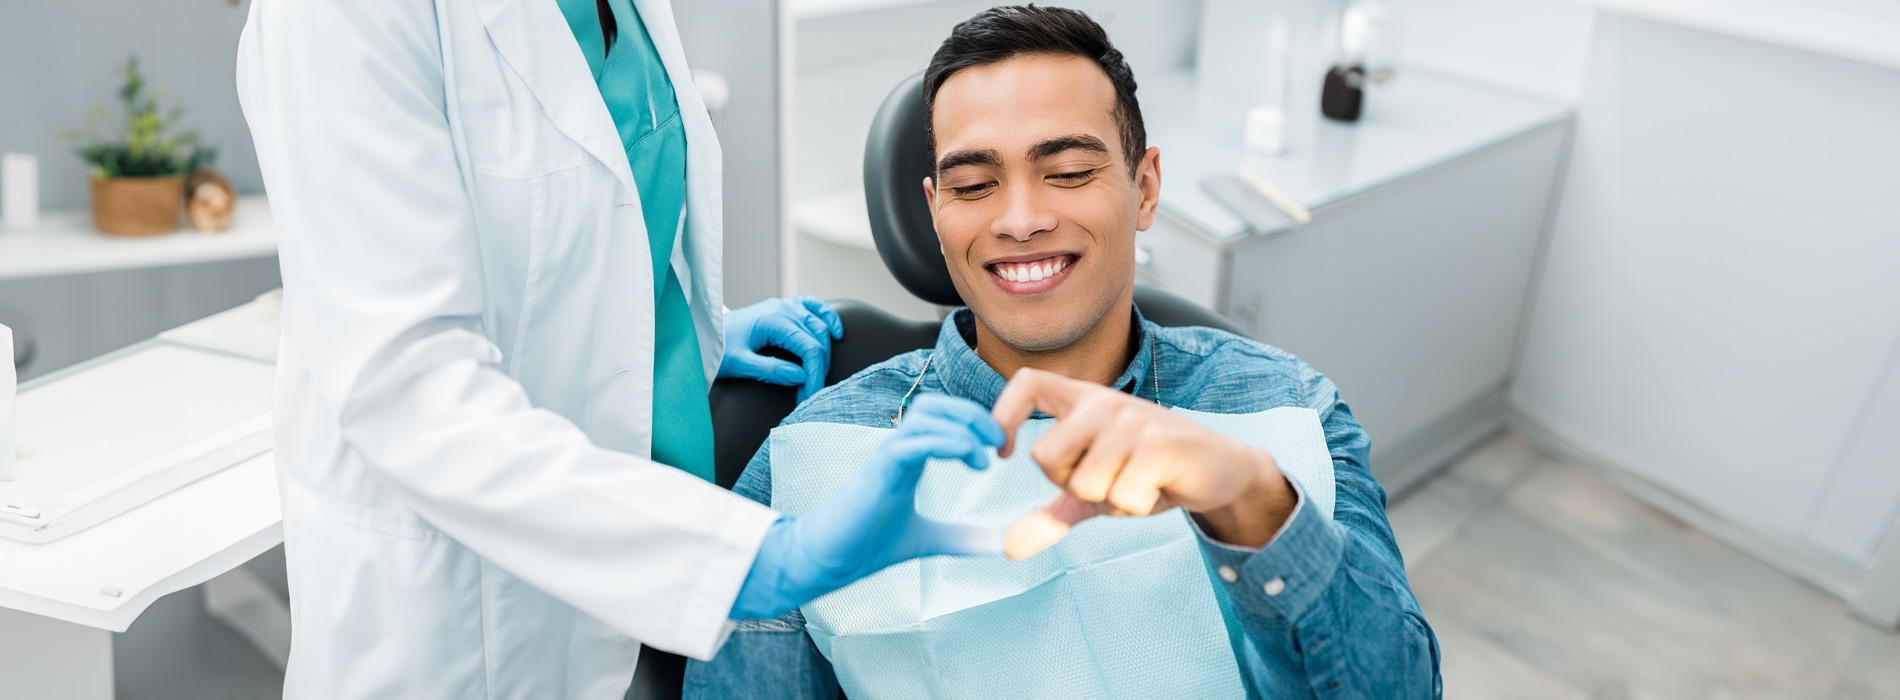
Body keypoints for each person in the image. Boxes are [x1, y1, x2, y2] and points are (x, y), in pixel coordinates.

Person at [235, 1, 1001, 698]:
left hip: (632, 558)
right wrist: (762, 563)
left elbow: (608, 191)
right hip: (465, 618)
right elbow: (406, 384)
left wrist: (673, 337)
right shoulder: (337, 17)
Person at [684, 6, 1441, 698]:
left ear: (1145, 189)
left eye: (1070, 173)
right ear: (935, 213)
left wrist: (1252, 501)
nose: (1020, 220)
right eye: (975, 183)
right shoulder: (807, 461)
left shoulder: (1287, 406)